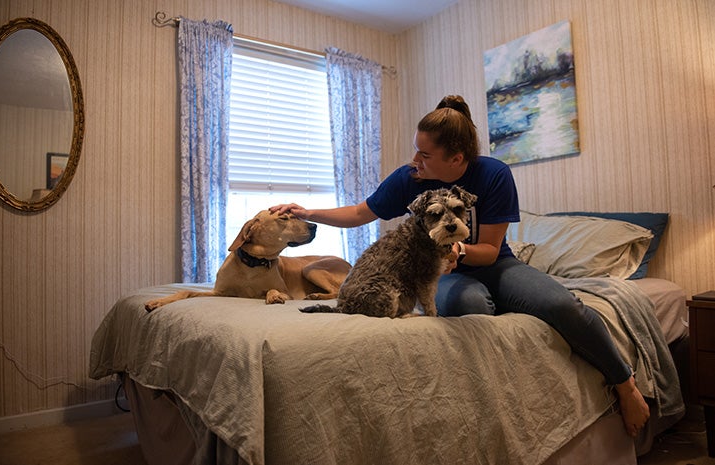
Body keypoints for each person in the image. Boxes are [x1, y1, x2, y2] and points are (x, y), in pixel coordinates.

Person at [270, 95, 650, 437]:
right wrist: (307, 211)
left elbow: (489, 248)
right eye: (415, 151)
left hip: (493, 264)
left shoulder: (493, 175)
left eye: (424, 155)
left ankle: (625, 383)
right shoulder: (409, 179)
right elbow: (359, 212)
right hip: (443, 275)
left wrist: (458, 252)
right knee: (470, 309)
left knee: (562, 305)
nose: (414, 161)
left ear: (456, 159)